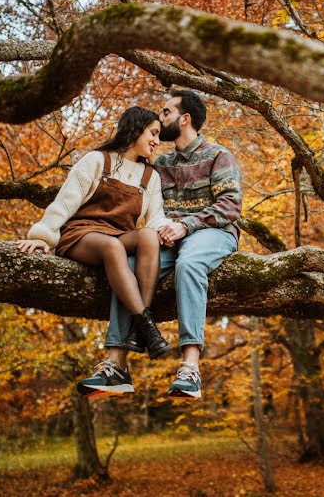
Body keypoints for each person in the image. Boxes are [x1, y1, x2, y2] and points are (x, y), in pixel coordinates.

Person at [93, 89, 242, 400]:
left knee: (190, 264)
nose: (159, 118)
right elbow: (146, 208)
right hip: (166, 238)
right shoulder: (160, 163)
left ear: (184, 119)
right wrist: (155, 230)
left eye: (166, 112)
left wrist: (184, 225)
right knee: (129, 268)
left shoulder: (218, 155)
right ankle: (116, 364)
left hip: (212, 233)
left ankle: (190, 366)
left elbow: (230, 206)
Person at [17, 106, 172, 396]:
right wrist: (42, 237)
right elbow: (64, 202)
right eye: (153, 133)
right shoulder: (96, 160)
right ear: (135, 129)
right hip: (82, 235)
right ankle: (145, 324)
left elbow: (156, 218)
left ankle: (142, 325)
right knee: (113, 246)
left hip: (118, 235)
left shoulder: (150, 177)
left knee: (149, 237)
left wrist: (169, 230)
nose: (156, 141)